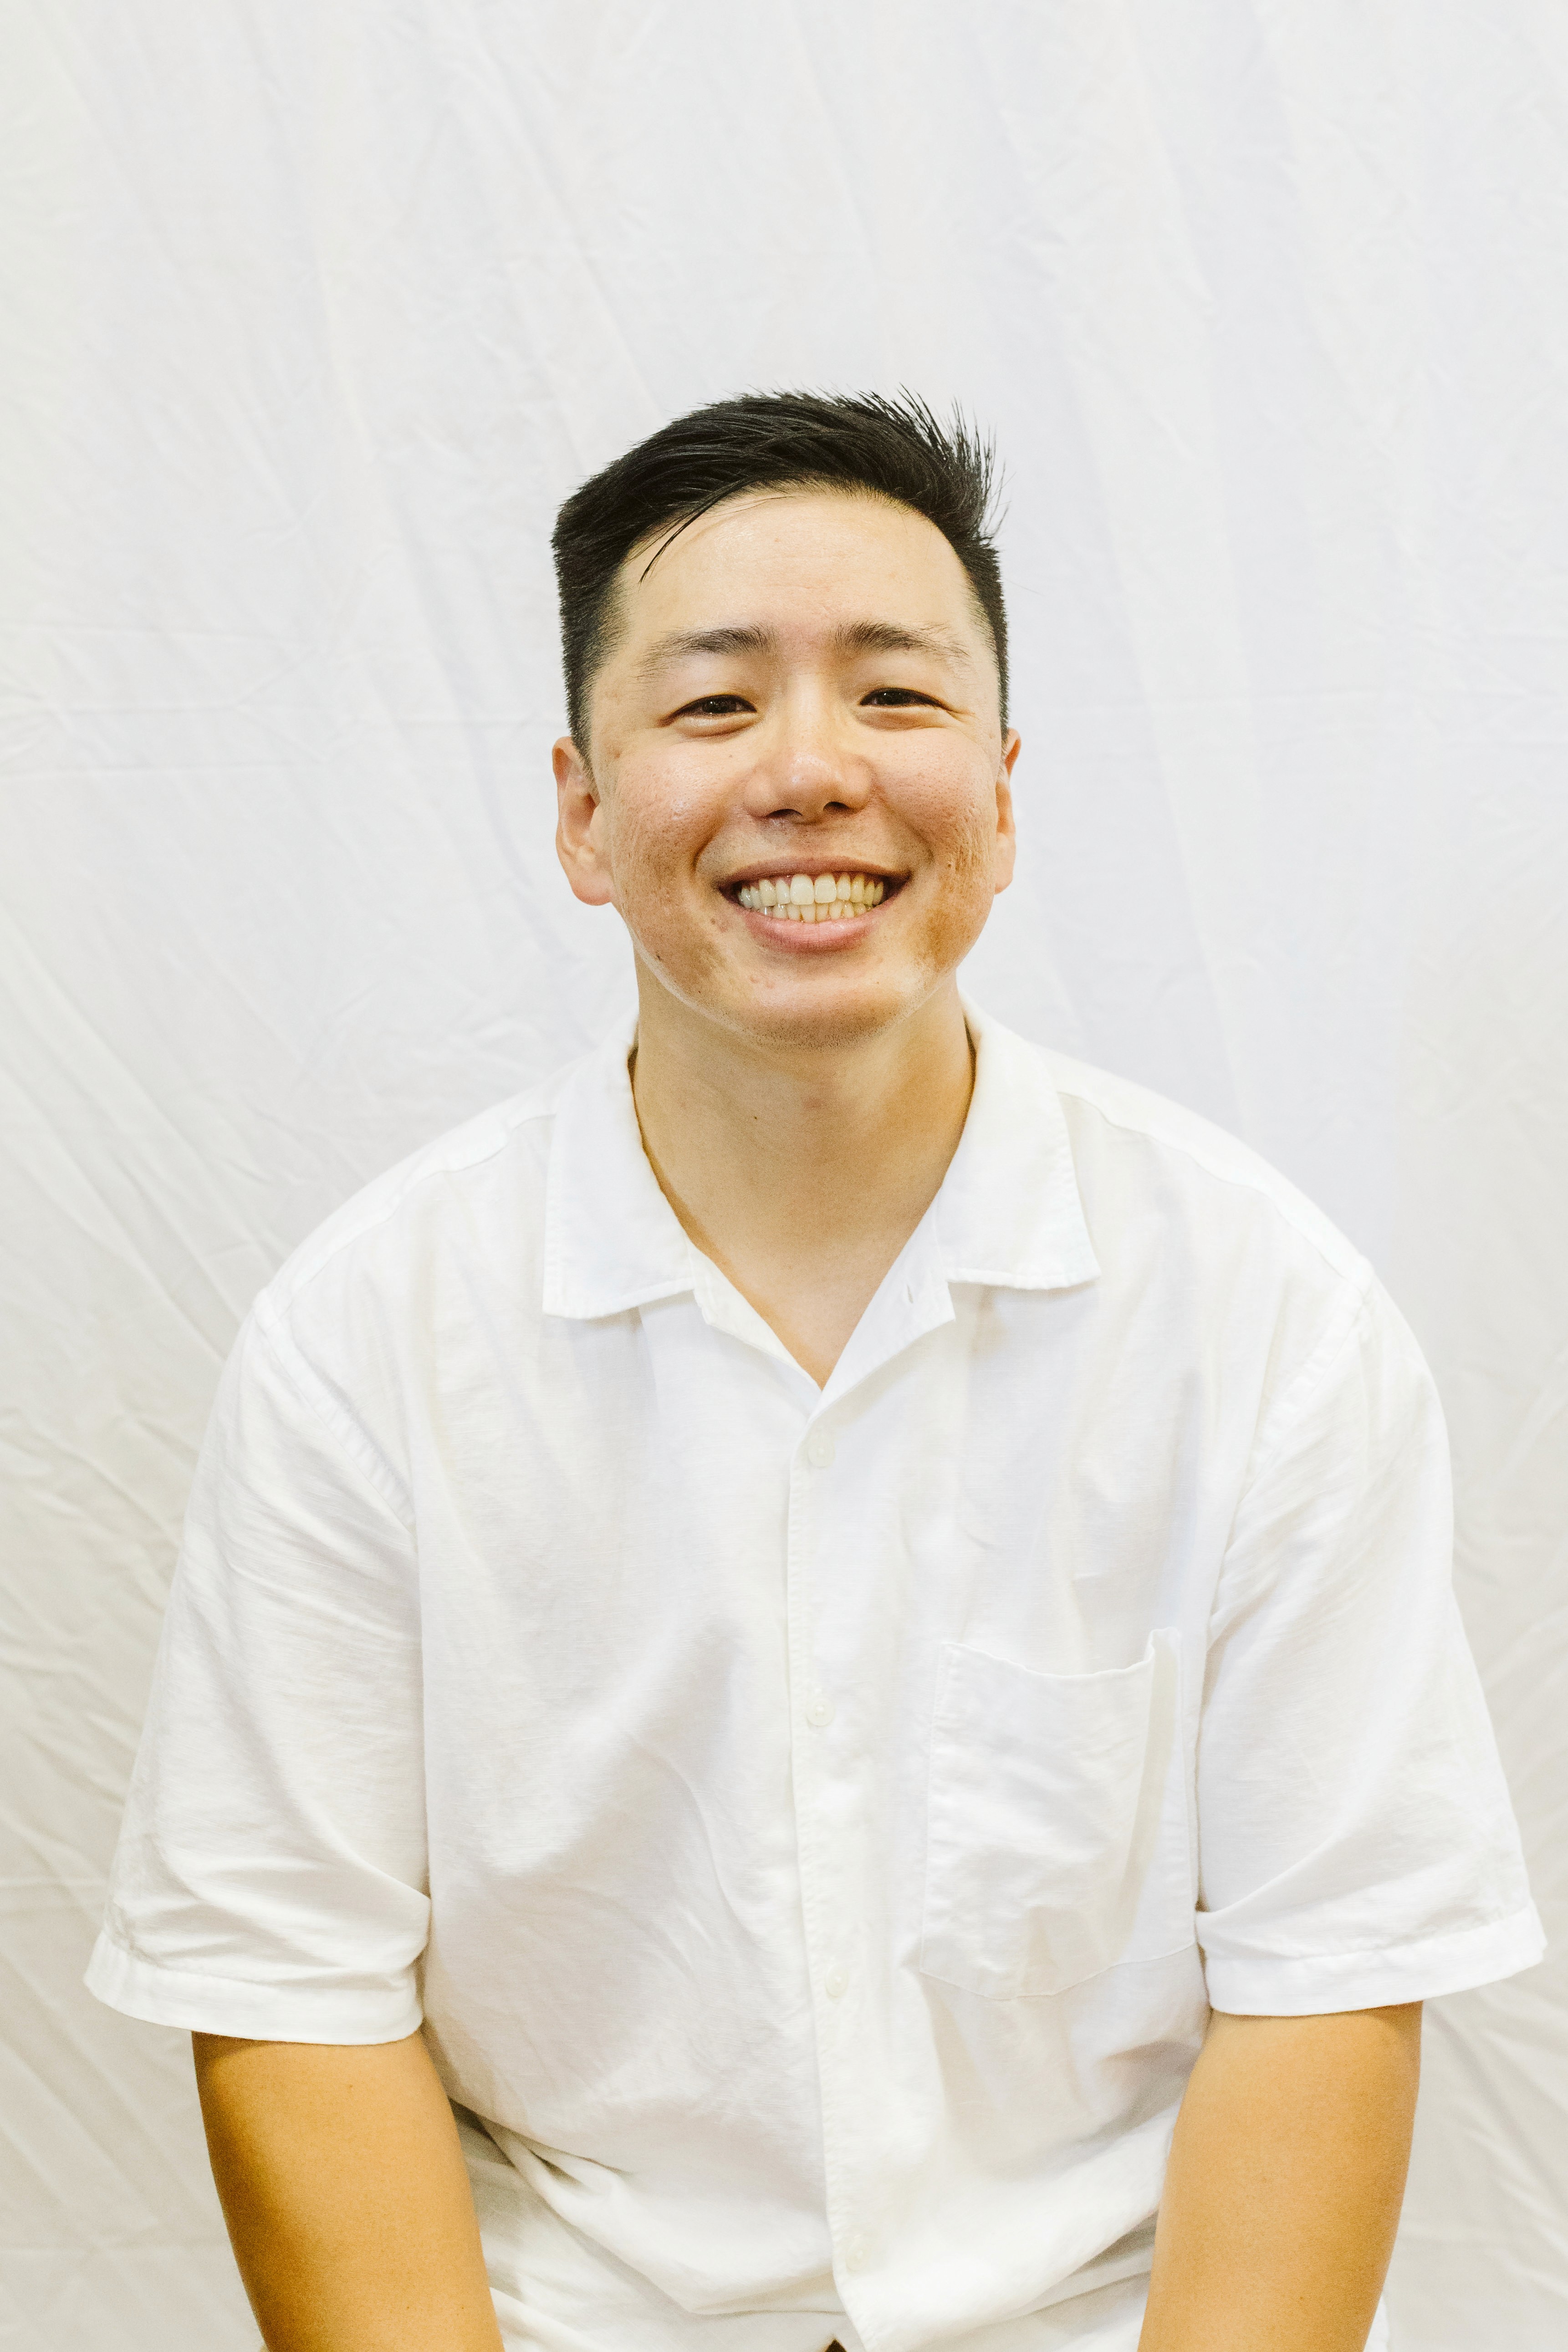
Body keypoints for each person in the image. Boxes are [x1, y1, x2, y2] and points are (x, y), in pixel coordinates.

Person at [87, 392, 1541, 2352]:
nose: (809, 772)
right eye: (713, 705)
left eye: (894, 696)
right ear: (581, 814)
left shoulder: (1266, 1314)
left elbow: (1328, 1977)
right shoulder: (364, 1340)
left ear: (1002, 797)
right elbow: (292, 1985)